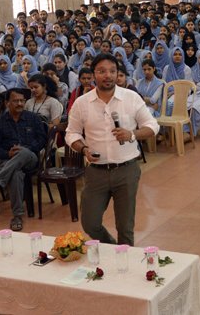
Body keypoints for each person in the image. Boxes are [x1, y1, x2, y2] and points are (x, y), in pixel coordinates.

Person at [65, 53, 160, 246]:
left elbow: (153, 126)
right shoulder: (82, 103)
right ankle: (112, 247)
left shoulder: (130, 98)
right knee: (90, 223)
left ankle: (125, 263)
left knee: (125, 227)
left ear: (118, 74)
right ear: (94, 74)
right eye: (101, 71)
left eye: (112, 71)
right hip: (96, 171)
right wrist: (83, 149)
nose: (107, 75)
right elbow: (71, 133)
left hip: (126, 170)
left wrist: (132, 134)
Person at [0, 89, 48, 231]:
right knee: (16, 174)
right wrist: (8, 153)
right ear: (7, 103)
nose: (20, 103)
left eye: (22, 101)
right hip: (8, 160)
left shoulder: (33, 118)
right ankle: (17, 216)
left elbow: (42, 140)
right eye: (16, 101)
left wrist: (26, 149)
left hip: (30, 158)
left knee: (23, 152)